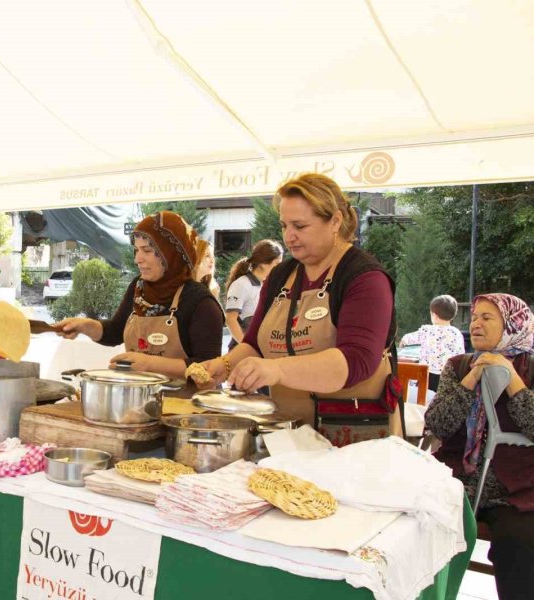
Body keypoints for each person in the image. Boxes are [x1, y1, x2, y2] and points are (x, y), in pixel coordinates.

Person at [200, 173, 398, 443]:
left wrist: (278, 370)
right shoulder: (281, 276)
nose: (289, 236)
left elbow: (356, 361)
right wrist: (223, 365)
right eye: (284, 225)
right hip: (292, 433)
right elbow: (255, 343)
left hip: (353, 437)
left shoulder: (364, 278)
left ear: (335, 221)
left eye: (300, 226)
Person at [424, 294, 534, 600]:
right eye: (474, 317)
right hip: (457, 480)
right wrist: (472, 377)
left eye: (487, 317)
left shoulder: (531, 370)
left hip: (515, 488)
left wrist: (511, 377)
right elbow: (439, 424)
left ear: (513, 324)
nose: (476, 323)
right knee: (419, 529)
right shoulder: (458, 366)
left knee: (521, 542)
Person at [56, 211, 224, 381]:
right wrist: (85, 326)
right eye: (136, 250)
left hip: (185, 403)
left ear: (171, 253)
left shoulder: (201, 302)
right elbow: (115, 331)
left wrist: (149, 364)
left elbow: (208, 367)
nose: (137, 259)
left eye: (147, 250)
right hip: (139, 400)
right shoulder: (139, 288)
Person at [223, 239, 284, 350]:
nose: (280, 268)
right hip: (242, 351)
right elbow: (230, 320)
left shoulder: (265, 285)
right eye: (277, 264)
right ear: (264, 263)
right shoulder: (241, 284)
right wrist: (246, 347)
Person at [399, 294, 466, 391]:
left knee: (423, 397)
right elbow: (460, 355)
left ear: (434, 315)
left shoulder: (427, 330)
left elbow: (408, 338)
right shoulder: (457, 333)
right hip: (447, 376)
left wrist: (402, 341)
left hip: (426, 374)